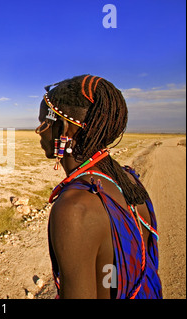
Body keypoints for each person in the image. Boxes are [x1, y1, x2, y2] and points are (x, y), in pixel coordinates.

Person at [35, 75, 162, 299]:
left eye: (44, 122)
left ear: (64, 129)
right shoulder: (128, 180)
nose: (39, 130)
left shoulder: (75, 208)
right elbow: (111, 273)